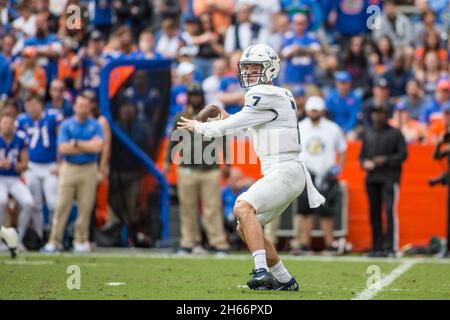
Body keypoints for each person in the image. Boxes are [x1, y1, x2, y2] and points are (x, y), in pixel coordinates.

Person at [178, 44, 325, 290]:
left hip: (285, 169)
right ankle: (284, 279)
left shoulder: (263, 94)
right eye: (247, 68)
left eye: (255, 67)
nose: (250, 73)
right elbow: (256, 125)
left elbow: (231, 126)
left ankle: (261, 272)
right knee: (244, 224)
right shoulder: (278, 94)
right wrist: (229, 119)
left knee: (243, 206)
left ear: (270, 68)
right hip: (286, 171)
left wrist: (199, 126)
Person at [166, 83, 230, 255]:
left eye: (197, 95)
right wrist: (167, 162)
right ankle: (189, 242)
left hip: (210, 169)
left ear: (202, 96)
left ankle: (218, 243)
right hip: (187, 168)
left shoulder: (211, 116)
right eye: (192, 95)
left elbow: (222, 138)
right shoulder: (181, 116)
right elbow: (174, 140)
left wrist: (227, 163)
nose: (195, 98)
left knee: (212, 208)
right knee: (187, 208)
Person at [42, 93, 104, 253]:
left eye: (85, 105)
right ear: (75, 107)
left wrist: (76, 143)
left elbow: (98, 147)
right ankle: (54, 240)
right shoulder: (67, 125)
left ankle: (80, 240)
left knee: (86, 205)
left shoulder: (96, 125)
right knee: (62, 205)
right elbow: (63, 148)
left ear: (90, 107)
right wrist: (86, 146)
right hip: (69, 167)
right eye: (80, 105)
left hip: (89, 167)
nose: (82, 108)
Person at [293, 96, 347, 255]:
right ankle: (304, 244)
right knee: (305, 211)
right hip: (306, 172)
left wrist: (338, 168)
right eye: (311, 109)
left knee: (326, 211)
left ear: (322, 111)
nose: (313, 112)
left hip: (327, 174)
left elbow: (343, 150)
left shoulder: (333, 128)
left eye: (316, 109)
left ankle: (329, 245)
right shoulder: (300, 127)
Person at [359, 104, 407, 257]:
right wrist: (364, 163)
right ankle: (376, 246)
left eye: (380, 113)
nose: (376, 116)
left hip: (389, 178)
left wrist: (384, 160)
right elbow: (361, 156)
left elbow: (403, 155)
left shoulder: (395, 133)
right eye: (374, 113)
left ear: (386, 115)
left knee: (388, 211)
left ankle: (390, 247)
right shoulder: (368, 133)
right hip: (372, 178)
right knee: (374, 213)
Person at [16, 94, 62, 240]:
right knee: (35, 204)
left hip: (50, 166)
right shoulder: (21, 120)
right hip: (31, 166)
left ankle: (55, 236)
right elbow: (18, 145)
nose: (31, 108)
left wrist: (60, 163)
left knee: (53, 203)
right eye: (28, 104)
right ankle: (40, 236)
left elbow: (60, 138)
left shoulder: (52, 116)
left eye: (34, 104)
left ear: (41, 105)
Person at [0, 111, 34, 250]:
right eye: (5, 123)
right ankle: (1, 240)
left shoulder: (20, 139)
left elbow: (25, 164)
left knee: (29, 203)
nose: (7, 126)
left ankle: (17, 240)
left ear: (14, 126)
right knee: (1, 201)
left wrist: (13, 165)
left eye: (10, 124)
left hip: (14, 178)